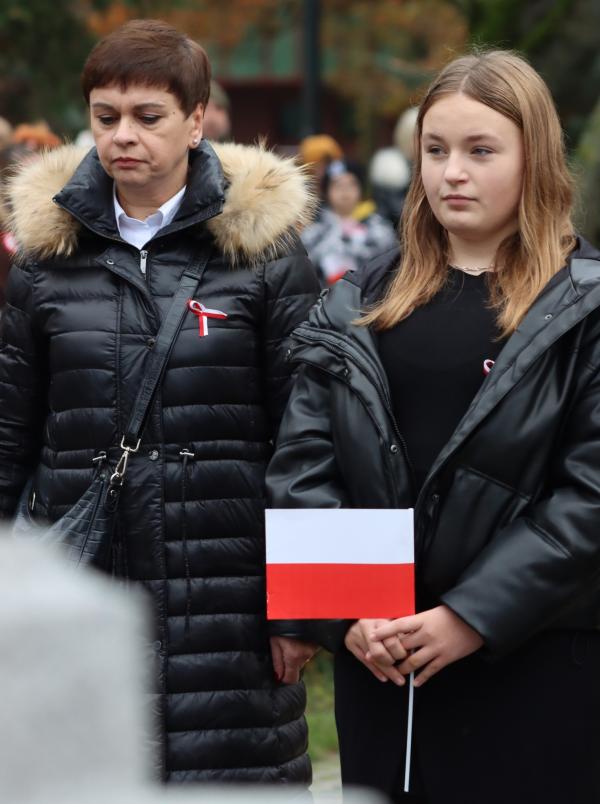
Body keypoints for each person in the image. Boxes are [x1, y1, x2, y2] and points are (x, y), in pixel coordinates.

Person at [267, 50, 600, 804]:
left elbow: (589, 494)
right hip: (382, 663)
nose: (453, 171)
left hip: (536, 655)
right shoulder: (357, 300)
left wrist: (468, 617)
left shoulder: (585, 309)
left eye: (481, 151)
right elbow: (302, 468)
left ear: (535, 158)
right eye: (436, 149)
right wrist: (347, 613)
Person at [0, 19, 320, 786]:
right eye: (105, 116)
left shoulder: (266, 253)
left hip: (229, 593)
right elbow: (9, 435)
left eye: (147, 117)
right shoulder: (45, 260)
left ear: (198, 117)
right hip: (87, 579)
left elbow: (309, 438)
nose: (122, 137)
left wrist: (301, 609)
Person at [301, 159, 397, 285]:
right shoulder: (313, 229)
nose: (345, 191)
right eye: (338, 185)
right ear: (327, 190)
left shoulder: (378, 227)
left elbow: (389, 263)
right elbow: (306, 266)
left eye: (351, 184)